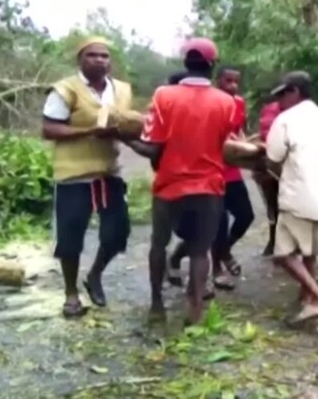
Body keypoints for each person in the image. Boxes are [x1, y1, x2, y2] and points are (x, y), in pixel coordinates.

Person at [135, 37, 236, 324]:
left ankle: (157, 305)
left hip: (170, 185)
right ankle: (195, 311)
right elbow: (223, 143)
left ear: (185, 63)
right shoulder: (226, 102)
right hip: (208, 186)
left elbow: (153, 144)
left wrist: (126, 140)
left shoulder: (163, 96)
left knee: (159, 244)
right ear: (212, 65)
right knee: (199, 250)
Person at [41, 36, 134, 318]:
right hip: (74, 175)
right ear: (80, 59)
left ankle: (95, 275)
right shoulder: (66, 90)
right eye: (92, 55)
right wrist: (89, 131)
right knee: (70, 237)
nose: (100, 60)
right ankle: (71, 294)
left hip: (108, 172)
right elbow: (49, 129)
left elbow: (127, 123)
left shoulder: (122, 90)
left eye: (105, 56)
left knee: (118, 232)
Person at [167, 67, 254, 290]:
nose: (233, 85)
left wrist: (246, 148)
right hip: (210, 171)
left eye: (236, 81)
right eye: (228, 80)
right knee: (217, 223)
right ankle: (216, 270)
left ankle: (223, 251)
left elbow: (238, 131)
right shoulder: (208, 102)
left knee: (245, 215)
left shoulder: (239, 103)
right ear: (217, 81)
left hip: (231, 170)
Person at [266, 72, 318, 322]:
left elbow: (273, 159)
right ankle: (306, 297)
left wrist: (277, 171)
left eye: (283, 95)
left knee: (283, 255)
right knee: (311, 252)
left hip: (297, 195)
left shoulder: (285, 120)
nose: (279, 101)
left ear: (294, 91)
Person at [256, 100, 282, 256]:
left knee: (276, 206)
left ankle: (276, 243)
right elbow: (266, 135)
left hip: (277, 162)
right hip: (271, 163)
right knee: (274, 206)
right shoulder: (271, 110)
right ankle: (275, 242)